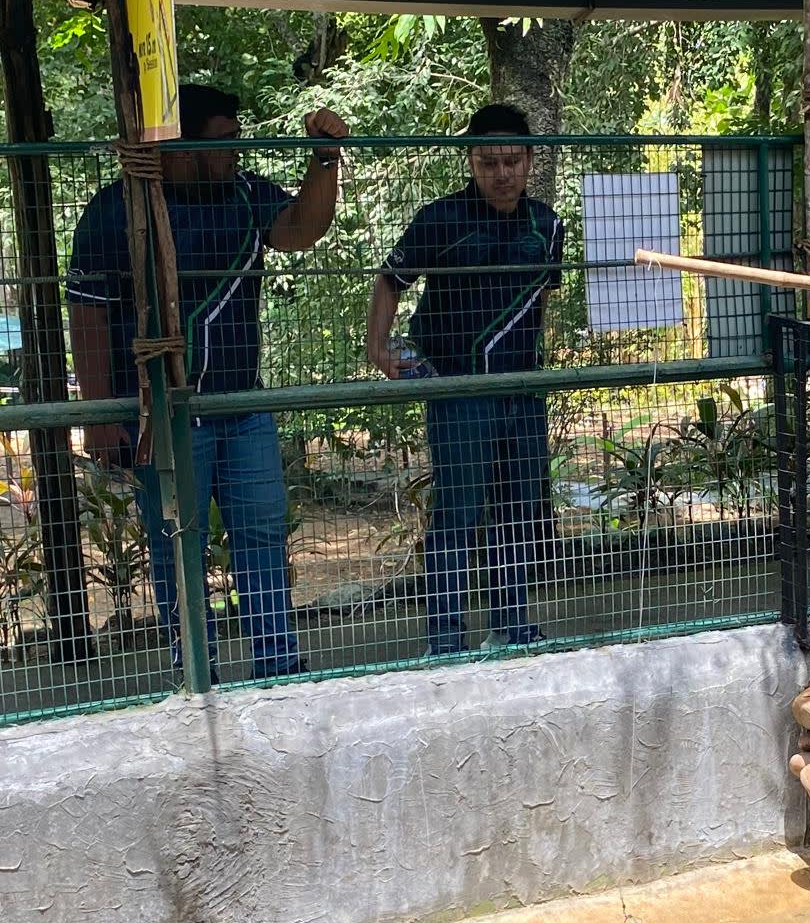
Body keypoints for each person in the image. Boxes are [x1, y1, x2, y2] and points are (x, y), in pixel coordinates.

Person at [68, 82, 349, 680]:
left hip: (243, 405)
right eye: (222, 142)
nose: (234, 152)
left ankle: (278, 663)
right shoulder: (119, 211)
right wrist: (97, 416)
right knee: (178, 542)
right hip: (167, 414)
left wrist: (324, 161)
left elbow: (301, 229)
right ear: (180, 147)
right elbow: (87, 317)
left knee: (262, 532)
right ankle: (195, 668)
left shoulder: (245, 193)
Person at [367, 104, 568, 656]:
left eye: (512, 161)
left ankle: (511, 625)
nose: (502, 174)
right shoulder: (440, 219)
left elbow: (540, 302)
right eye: (488, 163)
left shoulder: (548, 226)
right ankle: (445, 641)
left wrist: (530, 368)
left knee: (519, 512)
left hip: (522, 392)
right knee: (457, 515)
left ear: (529, 161)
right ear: (471, 162)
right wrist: (378, 346)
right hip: (458, 391)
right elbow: (390, 280)